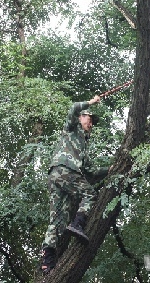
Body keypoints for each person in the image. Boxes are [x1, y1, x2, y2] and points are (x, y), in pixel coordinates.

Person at [40, 95, 109, 274]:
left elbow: (92, 172)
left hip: (57, 176)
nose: (91, 123)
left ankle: (47, 262)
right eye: (88, 118)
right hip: (64, 170)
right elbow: (73, 108)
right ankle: (78, 224)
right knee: (90, 194)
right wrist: (91, 102)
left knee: (57, 220)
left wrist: (112, 168)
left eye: (93, 121)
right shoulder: (71, 129)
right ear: (80, 118)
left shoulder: (83, 147)